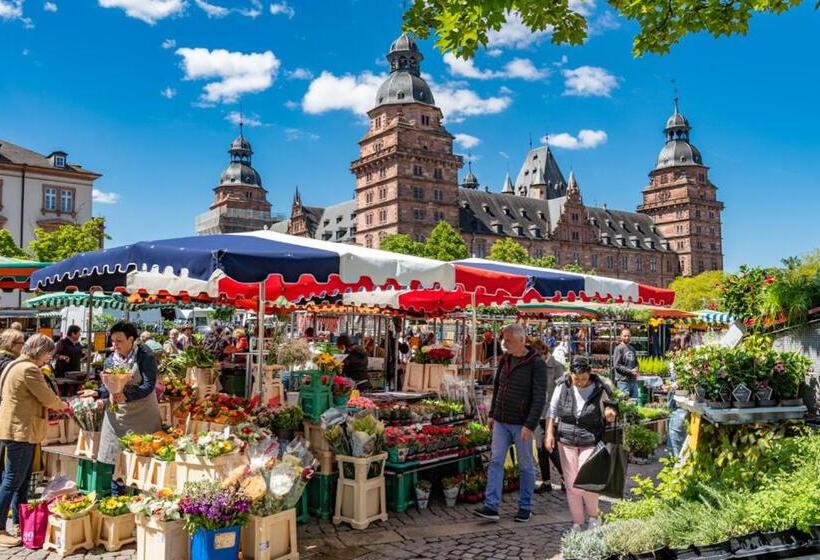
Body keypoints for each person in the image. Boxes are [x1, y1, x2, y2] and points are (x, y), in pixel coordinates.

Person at [78, 322, 162, 493]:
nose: (115, 345)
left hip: (142, 414)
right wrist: (96, 392)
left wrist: (128, 395)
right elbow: (107, 385)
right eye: (113, 341)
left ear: (131, 339)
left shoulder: (145, 355)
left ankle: (140, 495)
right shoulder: (110, 359)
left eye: (119, 341)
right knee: (116, 458)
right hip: (117, 415)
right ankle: (117, 496)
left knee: (141, 457)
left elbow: (148, 384)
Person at [474, 324, 546, 523]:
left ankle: (525, 506)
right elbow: (498, 386)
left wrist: (530, 424)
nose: (504, 344)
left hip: (522, 423)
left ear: (522, 340)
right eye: (503, 340)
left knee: (525, 465)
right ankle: (491, 506)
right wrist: (491, 413)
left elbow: (539, 397)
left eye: (509, 341)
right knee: (496, 461)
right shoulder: (505, 358)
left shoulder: (536, 363)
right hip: (501, 420)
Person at [0, 334, 66, 546]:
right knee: (12, 480)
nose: (48, 359)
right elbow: (47, 397)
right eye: (48, 354)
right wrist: (63, 405)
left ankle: (21, 521)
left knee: (23, 482)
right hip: (21, 430)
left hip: (16, 428)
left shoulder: (13, 365)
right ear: (40, 351)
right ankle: (0, 528)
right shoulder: (29, 369)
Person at [545, 356, 618, 532]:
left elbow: (612, 406)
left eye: (584, 378)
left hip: (590, 438)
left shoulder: (600, 387)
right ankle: (577, 522)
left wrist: (609, 413)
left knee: (587, 480)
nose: (580, 382)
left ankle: (593, 517)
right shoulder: (562, 385)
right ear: (571, 375)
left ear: (590, 373)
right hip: (566, 439)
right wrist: (549, 433)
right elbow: (552, 410)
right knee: (571, 484)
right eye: (576, 379)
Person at [528, 339, 565, 494]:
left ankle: (565, 477)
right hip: (537, 412)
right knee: (540, 447)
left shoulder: (557, 367)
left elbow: (562, 392)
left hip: (551, 413)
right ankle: (546, 481)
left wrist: (557, 415)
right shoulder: (535, 366)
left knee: (550, 447)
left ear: (544, 352)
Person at [613, 328, 639, 398]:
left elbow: (636, 362)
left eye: (628, 336)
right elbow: (617, 365)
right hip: (623, 382)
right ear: (621, 337)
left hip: (633, 381)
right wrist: (630, 371)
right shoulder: (619, 349)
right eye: (625, 336)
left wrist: (637, 368)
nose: (627, 337)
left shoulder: (632, 348)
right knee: (625, 404)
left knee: (634, 404)